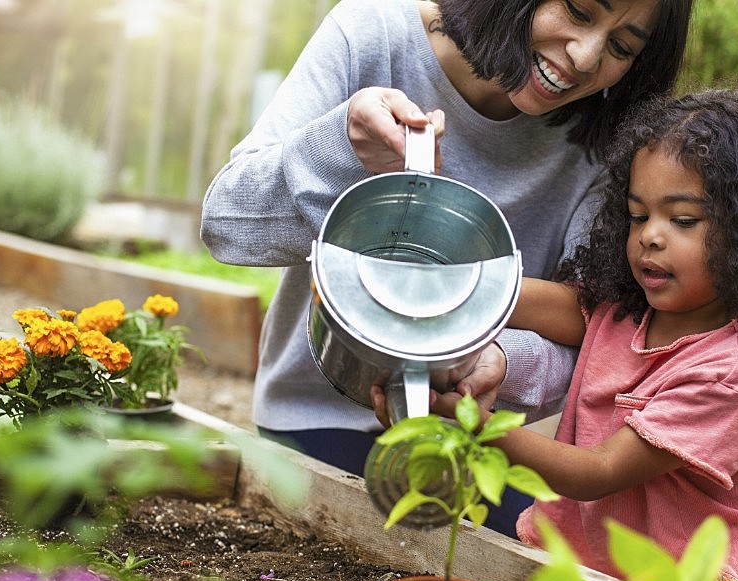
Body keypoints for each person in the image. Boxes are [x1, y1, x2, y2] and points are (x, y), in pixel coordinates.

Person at [200, 0, 693, 536]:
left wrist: (500, 359)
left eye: (622, 47)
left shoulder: (602, 145)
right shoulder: (375, 35)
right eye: (577, 11)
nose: (584, 55)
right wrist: (343, 145)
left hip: (473, 441)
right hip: (319, 417)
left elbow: (601, 336)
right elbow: (227, 224)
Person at [375, 87, 738, 581]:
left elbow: (599, 471)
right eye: (638, 215)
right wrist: (465, 291)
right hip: (587, 573)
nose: (650, 235)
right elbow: (562, 307)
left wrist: (466, 424)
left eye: (682, 220)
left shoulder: (734, 370)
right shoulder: (631, 311)